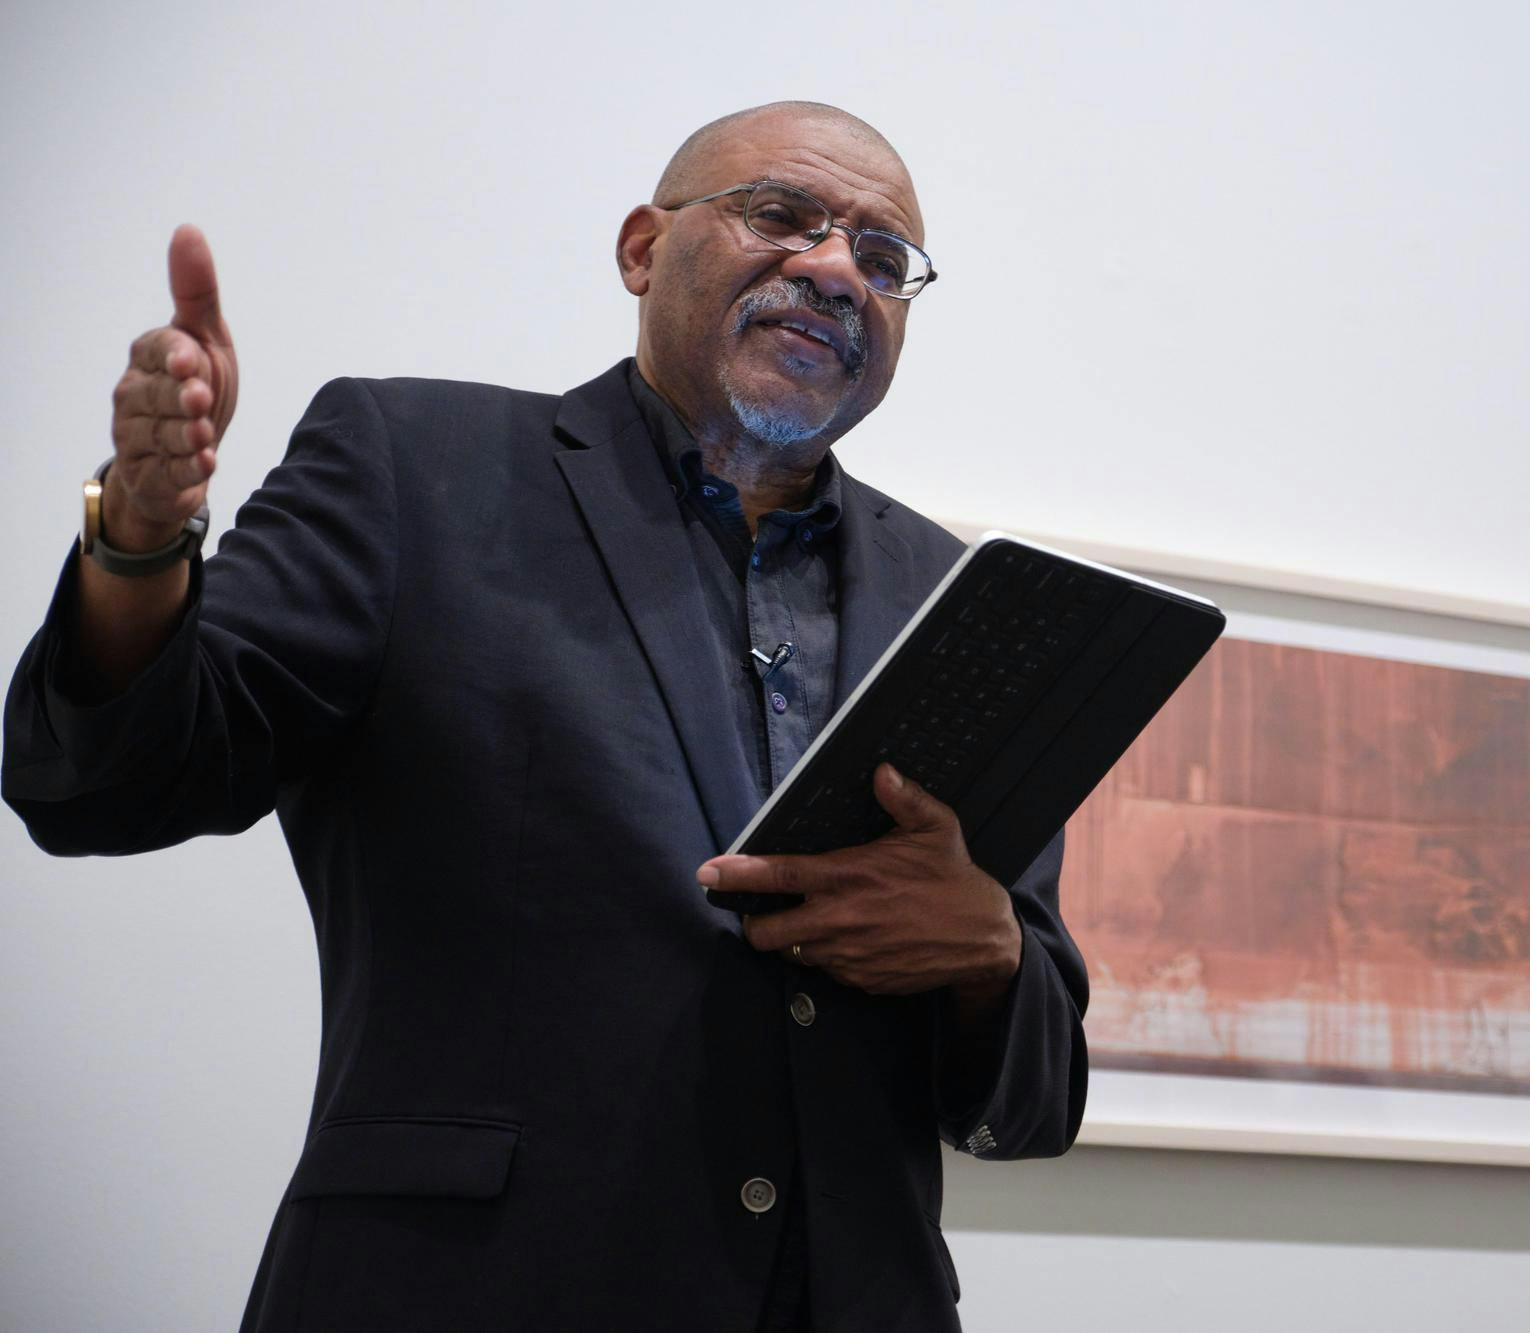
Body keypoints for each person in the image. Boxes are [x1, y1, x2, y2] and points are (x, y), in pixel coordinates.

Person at [3, 101, 1089, 1333]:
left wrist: (988, 951)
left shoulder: (954, 600)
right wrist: (141, 542)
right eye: (782, 215)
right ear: (641, 248)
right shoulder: (417, 466)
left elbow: (1033, 1099)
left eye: (883, 260)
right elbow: (106, 780)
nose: (837, 268)